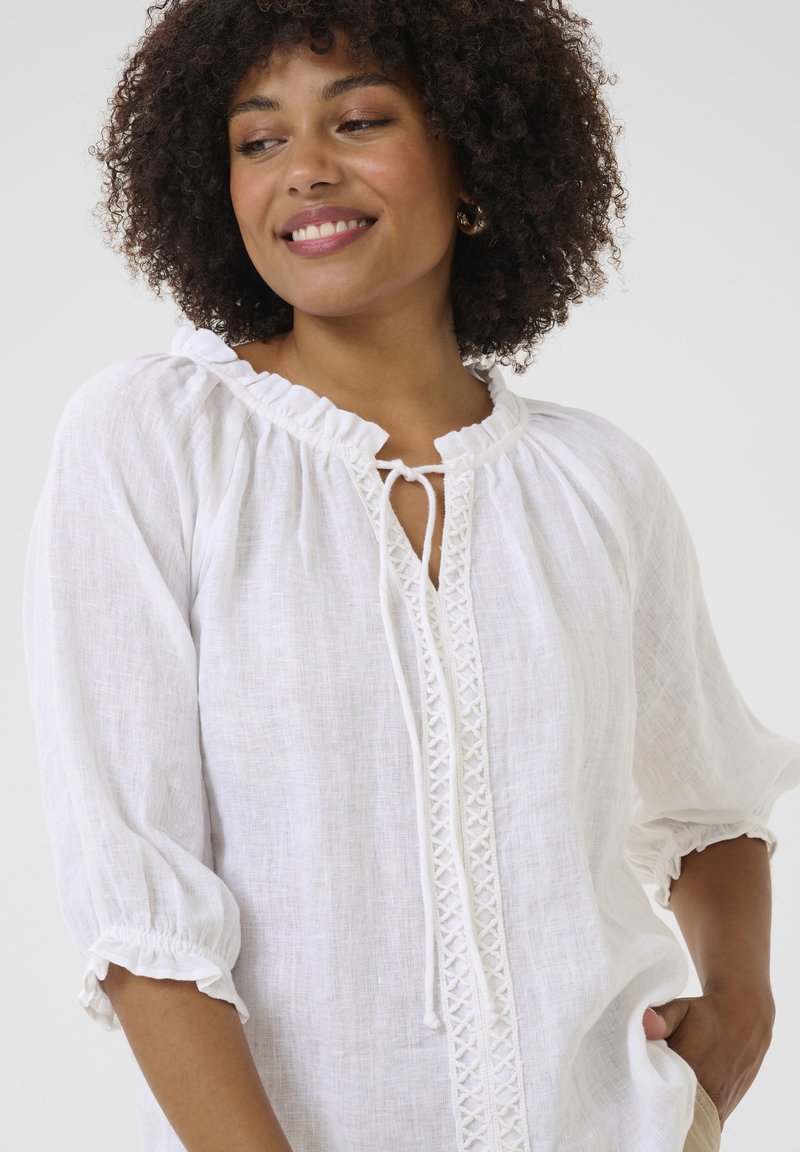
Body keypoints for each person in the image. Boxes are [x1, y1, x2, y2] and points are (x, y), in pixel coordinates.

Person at [21, 1, 800, 1150]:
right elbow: (140, 899)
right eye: (258, 139)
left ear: (473, 159)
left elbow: (708, 799)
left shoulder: (593, 480)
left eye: (360, 120)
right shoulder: (153, 440)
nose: (304, 169)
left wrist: (737, 1008)